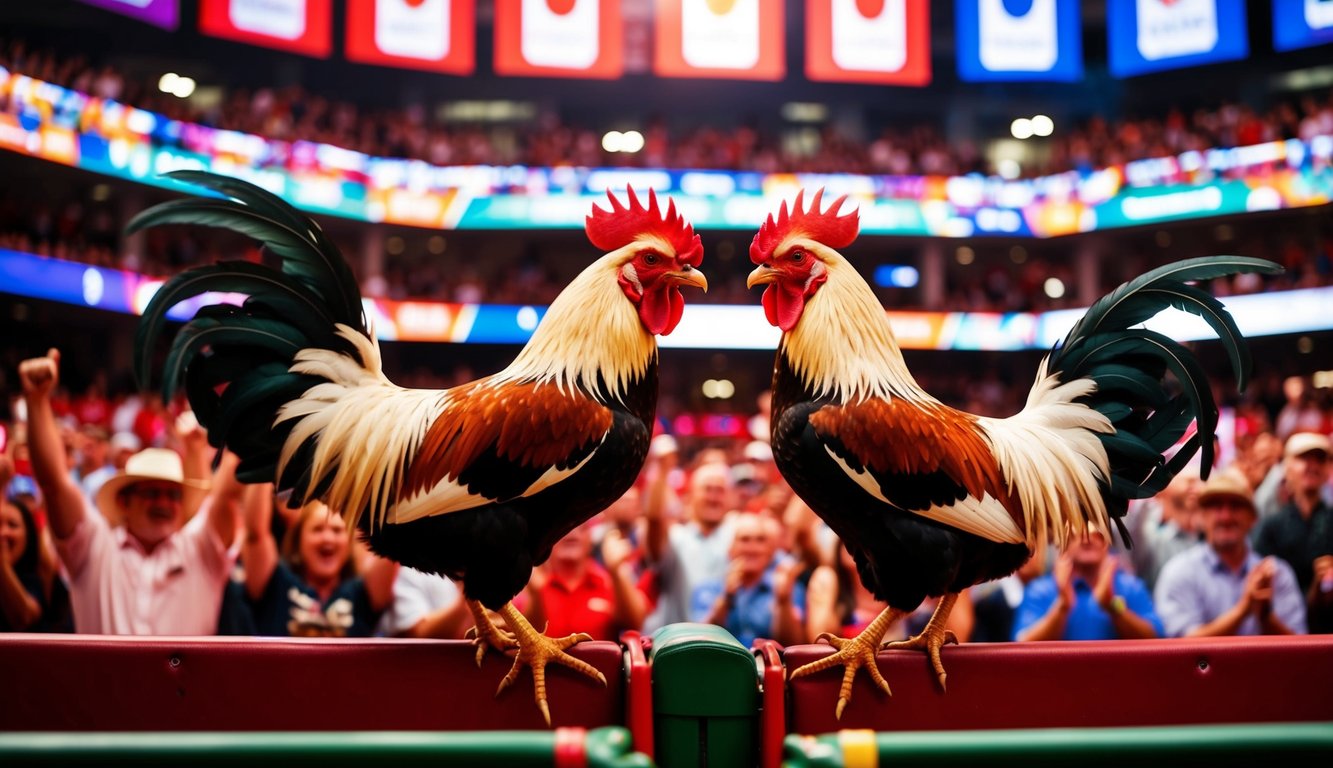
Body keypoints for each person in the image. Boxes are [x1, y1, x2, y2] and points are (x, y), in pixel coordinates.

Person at [21, 349, 244, 635]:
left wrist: (245, 402)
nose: (164, 503)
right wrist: (37, 402)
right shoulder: (95, 549)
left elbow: (225, 495)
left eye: (173, 495)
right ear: (123, 501)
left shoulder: (199, 549)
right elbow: (53, 484)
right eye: (152, 493)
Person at [1155, 469, 1306, 637]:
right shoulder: (1179, 572)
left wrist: (1265, 616)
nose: (1226, 516)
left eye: (1236, 506)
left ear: (1253, 518)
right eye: (1216, 506)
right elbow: (1182, 647)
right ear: (1202, 517)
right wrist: (1244, 608)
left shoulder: (1277, 573)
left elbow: (1299, 648)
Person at [240, 483, 397, 637]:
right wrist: (263, 473)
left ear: (349, 544)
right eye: (317, 529)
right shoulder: (275, 583)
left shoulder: (362, 594)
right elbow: (255, 534)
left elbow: (393, 544)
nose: (328, 538)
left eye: (337, 530)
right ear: (298, 539)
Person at [642, 451, 737, 632]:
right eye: (708, 489)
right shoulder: (676, 537)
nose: (713, 497)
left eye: (720, 490)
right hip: (676, 645)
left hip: (728, 646)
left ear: (731, 497)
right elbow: (654, 520)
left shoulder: (741, 535)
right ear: (691, 495)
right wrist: (662, 471)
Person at [1014, 531, 1162, 641]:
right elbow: (1022, 643)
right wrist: (1062, 606)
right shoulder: (1041, 590)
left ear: (1107, 541)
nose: (1087, 538)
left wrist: (1113, 606)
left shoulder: (1130, 586)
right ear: (1063, 542)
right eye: (1077, 532)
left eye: (1097, 533)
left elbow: (1156, 638)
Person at [1252, 432, 1333, 632]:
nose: (1311, 465)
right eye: (1303, 458)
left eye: (1319, 460)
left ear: (1327, 470)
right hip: (1282, 630)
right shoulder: (1271, 526)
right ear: (1286, 468)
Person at [690, 512, 805, 647]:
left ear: (771, 552)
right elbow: (699, 642)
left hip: (770, 665)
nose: (752, 548)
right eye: (744, 539)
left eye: (760, 540)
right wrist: (726, 599)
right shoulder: (707, 589)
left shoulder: (789, 588)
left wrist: (784, 601)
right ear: (730, 548)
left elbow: (793, 644)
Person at [527, 520, 648, 641]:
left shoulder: (607, 581)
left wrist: (617, 572)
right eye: (563, 529)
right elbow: (520, 635)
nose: (572, 533)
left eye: (581, 527)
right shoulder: (531, 582)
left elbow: (636, 622)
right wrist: (536, 595)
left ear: (591, 539)